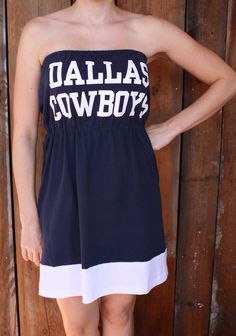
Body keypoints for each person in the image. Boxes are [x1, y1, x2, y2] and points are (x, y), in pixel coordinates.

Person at [12, 0, 236, 335]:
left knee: (119, 314)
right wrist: (29, 218)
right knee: (80, 325)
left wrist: (169, 128)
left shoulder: (146, 30)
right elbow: (25, 133)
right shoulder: (40, 33)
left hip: (129, 196)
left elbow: (226, 79)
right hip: (65, 198)